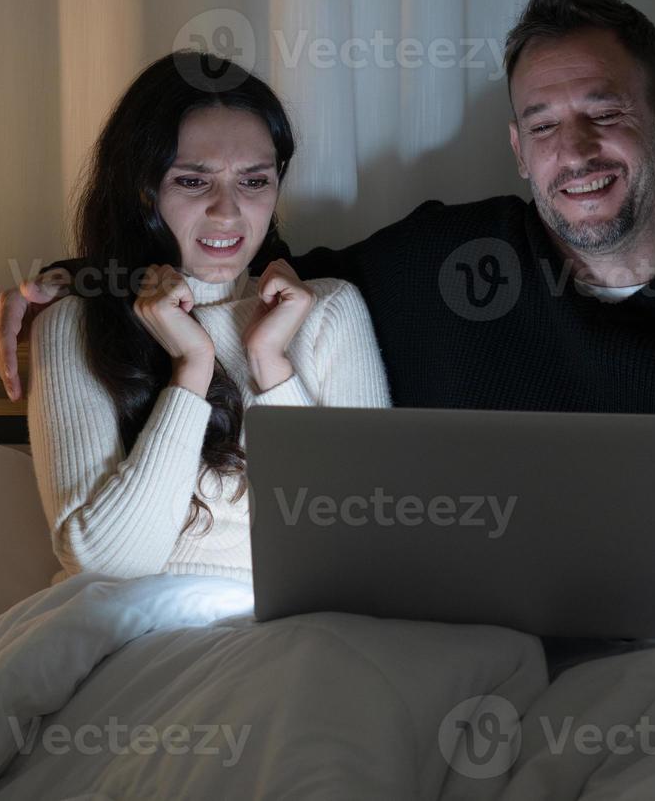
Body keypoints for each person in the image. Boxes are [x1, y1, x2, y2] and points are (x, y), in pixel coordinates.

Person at [0, 0, 655, 663]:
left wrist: (624, 501)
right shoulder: (456, 266)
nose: (574, 151)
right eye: (543, 125)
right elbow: (235, 271)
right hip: (476, 670)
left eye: (605, 114)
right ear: (516, 149)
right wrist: (75, 286)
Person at [22, 51, 390, 583]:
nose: (228, 211)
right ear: (143, 190)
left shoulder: (328, 312)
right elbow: (106, 563)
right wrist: (191, 368)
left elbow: (360, 547)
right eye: (194, 182)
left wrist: (270, 365)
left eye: (255, 181)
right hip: (136, 630)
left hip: (297, 627)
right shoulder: (73, 326)